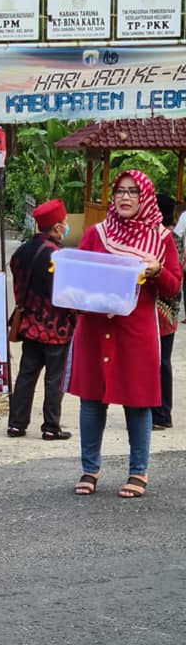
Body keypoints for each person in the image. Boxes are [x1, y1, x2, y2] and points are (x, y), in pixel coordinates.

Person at [64, 170, 182, 498]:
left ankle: (138, 473)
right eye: (120, 192)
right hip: (95, 327)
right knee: (91, 400)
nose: (125, 197)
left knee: (138, 402)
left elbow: (174, 285)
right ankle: (90, 469)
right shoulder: (96, 234)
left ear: (144, 198)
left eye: (133, 192)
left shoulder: (160, 239)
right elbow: (78, 279)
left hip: (136, 331)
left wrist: (156, 271)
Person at [7, 198, 75, 440]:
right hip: (57, 329)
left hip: (29, 326)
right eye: (65, 223)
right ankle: (50, 427)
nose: (66, 227)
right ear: (57, 227)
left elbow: (18, 287)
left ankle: (16, 424)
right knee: (54, 380)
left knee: (26, 375)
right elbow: (68, 295)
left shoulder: (20, 253)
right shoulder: (60, 258)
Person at [152, 193, 181, 429]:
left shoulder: (164, 238)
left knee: (160, 361)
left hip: (161, 306)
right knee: (163, 360)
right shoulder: (175, 236)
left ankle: (161, 413)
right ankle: (161, 412)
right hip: (171, 307)